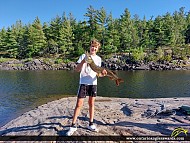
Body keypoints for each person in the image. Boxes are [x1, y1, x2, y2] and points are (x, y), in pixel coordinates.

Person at [66, 39, 107, 136]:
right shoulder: (83, 56)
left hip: (93, 83)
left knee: (91, 103)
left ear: (97, 49)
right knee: (79, 104)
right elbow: (77, 69)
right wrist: (84, 62)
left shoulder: (98, 59)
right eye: (92, 46)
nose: (93, 48)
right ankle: (73, 125)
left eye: (95, 47)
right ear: (90, 47)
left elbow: (98, 74)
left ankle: (91, 123)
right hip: (83, 83)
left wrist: (103, 74)